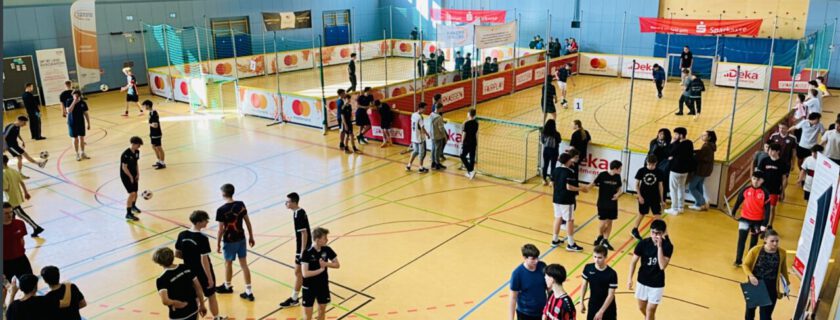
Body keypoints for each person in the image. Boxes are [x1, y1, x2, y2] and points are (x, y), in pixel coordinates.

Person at [176, 210, 225, 320]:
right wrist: (209, 278)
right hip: (201, 272)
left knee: (194, 297)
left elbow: (177, 254)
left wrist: (190, 259)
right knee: (211, 295)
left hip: (188, 271)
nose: (207, 222)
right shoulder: (202, 238)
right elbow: (204, 261)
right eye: (205, 220)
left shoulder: (182, 235)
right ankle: (217, 318)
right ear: (198, 222)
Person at [214, 183, 256, 301]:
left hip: (229, 240)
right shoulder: (240, 204)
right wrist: (251, 236)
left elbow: (220, 230)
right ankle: (248, 291)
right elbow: (248, 222)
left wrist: (217, 244)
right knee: (244, 264)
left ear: (223, 194)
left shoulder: (221, 210)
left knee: (228, 263)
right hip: (241, 238)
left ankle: (227, 286)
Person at [627, 219, 673, 320]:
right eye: (652, 232)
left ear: (663, 233)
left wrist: (659, 247)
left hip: (657, 283)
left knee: (650, 310)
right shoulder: (643, 243)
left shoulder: (668, 246)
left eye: (658, 233)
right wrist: (629, 278)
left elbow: (662, 266)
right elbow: (633, 262)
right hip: (642, 281)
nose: (655, 235)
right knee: (641, 307)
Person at [742, 229, 789, 320]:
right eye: (772, 241)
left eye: (777, 241)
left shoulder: (782, 253)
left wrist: (787, 284)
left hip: (771, 286)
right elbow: (745, 265)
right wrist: (751, 276)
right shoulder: (755, 250)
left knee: (766, 316)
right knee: (750, 312)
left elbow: (783, 269)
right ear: (765, 239)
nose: (775, 243)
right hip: (756, 284)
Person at [153, 247, 207, 320]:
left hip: (178, 315)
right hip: (193, 308)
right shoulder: (185, 267)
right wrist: (202, 304)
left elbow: (165, 300)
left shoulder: (162, 279)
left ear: (159, 263)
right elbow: (198, 288)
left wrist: (177, 303)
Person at [279, 192, 312, 308]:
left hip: (302, 248)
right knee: (301, 272)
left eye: (287, 201)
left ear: (293, 202)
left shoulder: (298, 214)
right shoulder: (297, 212)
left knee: (298, 273)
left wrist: (302, 251)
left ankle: (294, 299)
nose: (286, 203)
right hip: (303, 247)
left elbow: (304, 233)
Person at [731, 171, 771, 266]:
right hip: (744, 219)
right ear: (751, 179)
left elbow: (768, 210)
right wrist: (733, 212)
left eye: (758, 179)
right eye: (754, 178)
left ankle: (749, 261)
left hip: (757, 222)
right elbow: (738, 201)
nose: (755, 181)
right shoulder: (746, 190)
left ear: (762, 181)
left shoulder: (765, 193)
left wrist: (764, 224)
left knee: (753, 242)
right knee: (741, 240)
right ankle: (738, 260)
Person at [300, 227, 340, 320]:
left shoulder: (327, 249)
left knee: (322, 311)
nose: (327, 240)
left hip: (322, 285)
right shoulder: (307, 253)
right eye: (325, 238)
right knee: (308, 315)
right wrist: (321, 270)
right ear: (317, 240)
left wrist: (326, 264)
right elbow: (305, 273)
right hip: (309, 287)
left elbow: (337, 264)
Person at [552, 152, 587, 251]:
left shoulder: (556, 170)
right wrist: (581, 189)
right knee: (569, 220)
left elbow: (552, 183)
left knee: (558, 218)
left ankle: (554, 240)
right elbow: (569, 187)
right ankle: (571, 244)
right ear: (568, 161)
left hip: (556, 198)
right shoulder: (569, 172)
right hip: (566, 200)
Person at [3, 155, 44, 237]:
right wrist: (26, 192)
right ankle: (12, 231)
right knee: (13, 216)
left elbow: (6, 188)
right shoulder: (13, 170)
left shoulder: (3, 173)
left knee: (21, 214)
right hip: (17, 196)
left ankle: (36, 227)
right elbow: (21, 182)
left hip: (10, 200)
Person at [588, 160, 623, 250]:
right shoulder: (602, 175)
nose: (621, 170)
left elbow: (619, 188)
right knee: (603, 222)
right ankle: (600, 236)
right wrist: (585, 188)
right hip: (602, 202)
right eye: (620, 169)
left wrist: (618, 194)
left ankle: (605, 240)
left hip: (612, 203)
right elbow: (593, 183)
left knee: (610, 222)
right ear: (615, 169)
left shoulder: (617, 176)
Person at [3, 202, 33, 301]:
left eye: (11, 212)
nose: (10, 215)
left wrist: (20, 251)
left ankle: (31, 306)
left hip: (21, 260)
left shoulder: (19, 223)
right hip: (4, 263)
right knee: (4, 289)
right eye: (6, 213)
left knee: (30, 284)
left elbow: (21, 240)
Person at [509, 244, 546, 320]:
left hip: (543, 312)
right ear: (524, 258)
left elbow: (549, 288)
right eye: (533, 259)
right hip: (525, 314)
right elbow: (513, 298)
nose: (536, 261)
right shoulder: (517, 274)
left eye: (537, 258)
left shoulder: (542, 266)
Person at [580, 246, 618, 320]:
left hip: (608, 308)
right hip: (593, 306)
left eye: (599, 257)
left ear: (605, 257)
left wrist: (601, 311)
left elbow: (610, 295)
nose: (596, 260)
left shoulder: (612, 274)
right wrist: (581, 301)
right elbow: (584, 285)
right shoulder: (588, 268)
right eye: (595, 257)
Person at [633, 155, 665, 241]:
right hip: (643, 196)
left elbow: (660, 186)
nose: (651, 166)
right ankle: (635, 229)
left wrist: (662, 200)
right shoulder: (641, 171)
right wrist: (639, 196)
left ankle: (660, 233)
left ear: (656, 163)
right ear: (647, 162)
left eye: (653, 165)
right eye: (649, 164)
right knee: (642, 213)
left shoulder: (659, 172)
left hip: (655, 197)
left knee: (658, 216)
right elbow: (636, 185)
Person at [756, 142, 789, 227]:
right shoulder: (764, 160)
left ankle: (769, 225)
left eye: (772, 150)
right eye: (769, 150)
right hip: (763, 189)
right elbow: (759, 174)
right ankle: (761, 223)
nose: (770, 152)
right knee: (761, 207)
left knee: (771, 208)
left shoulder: (782, 163)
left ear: (778, 152)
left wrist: (782, 191)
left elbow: (784, 178)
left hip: (774, 189)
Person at [665, 127, 694, 215]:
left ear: (681, 135)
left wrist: (672, 143)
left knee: (673, 189)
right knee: (681, 188)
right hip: (685, 170)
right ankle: (681, 207)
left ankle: (674, 208)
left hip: (675, 170)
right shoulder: (689, 143)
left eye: (676, 134)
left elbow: (669, 151)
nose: (675, 136)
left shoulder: (678, 145)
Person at [688, 130, 716, 211]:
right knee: (699, 186)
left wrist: (693, 155)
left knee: (691, 187)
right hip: (706, 170)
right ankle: (698, 204)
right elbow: (702, 153)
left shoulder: (706, 146)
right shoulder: (710, 145)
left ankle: (702, 202)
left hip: (701, 170)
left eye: (704, 135)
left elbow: (700, 157)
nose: (702, 136)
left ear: (709, 137)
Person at [120, 136, 143, 221]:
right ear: (133, 144)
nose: (139, 146)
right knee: (132, 193)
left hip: (134, 174)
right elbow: (124, 167)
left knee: (136, 191)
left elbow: (136, 163)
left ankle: (133, 206)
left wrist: (137, 174)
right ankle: (128, 213)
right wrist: (130, 177)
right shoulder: (125, 154)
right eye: (138, 145)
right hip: (126, 175)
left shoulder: (137, 152)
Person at [66, 90, 91, 161]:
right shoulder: (69, 101)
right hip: (72, 123)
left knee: (82, 138)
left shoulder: (83, 103)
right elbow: (69, 111)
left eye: (77, 96)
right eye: (74, 96)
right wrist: (74, 102)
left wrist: (88, 123)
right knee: (75, 139)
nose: (75, 97)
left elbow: (86, 113)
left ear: (79, 96)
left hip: (81, 123)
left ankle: (83, 153)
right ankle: (77, 154)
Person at [406, 102, 430, 173]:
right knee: (422, 153)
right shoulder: (420, 117)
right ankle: (421, 167)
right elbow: (422, 128)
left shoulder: (413, 115)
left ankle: (409, 165)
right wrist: (427, 134)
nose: (425, 110)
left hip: (414, 137)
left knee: (415, 151)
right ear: (420, 108)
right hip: (420, 138)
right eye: (424, 108)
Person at [540, 119, 562, 185]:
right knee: (553, 166)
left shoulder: (544, 133)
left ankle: (544, 179)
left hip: (546, 150)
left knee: (545, 165)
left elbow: (542, 141)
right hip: (554, 151)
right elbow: (559, 141)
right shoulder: (556, 133)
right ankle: (552, 181)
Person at [429, 100, 447, 170]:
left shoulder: (431, 114)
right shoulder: (439, 117)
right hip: (438, 136)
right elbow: (441, 129)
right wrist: (444, 136)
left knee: (433, 149)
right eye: (442, 108)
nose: (442, 109)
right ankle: (437, 164)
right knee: (437, 150)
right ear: (439, 108)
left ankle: (433, 163)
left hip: (432, 135)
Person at [460, 108, 478, 180]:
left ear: (469, 114)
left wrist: (462, 142)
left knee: (462, 156)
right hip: (473, 142)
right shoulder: (476, 123)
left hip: (467, 142)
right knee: (472, 157)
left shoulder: (466, 123)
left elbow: (464, 134)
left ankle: (470, 171)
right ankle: (471, 172)